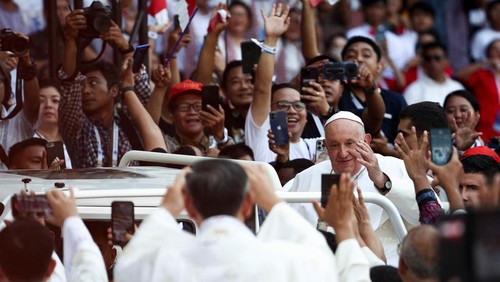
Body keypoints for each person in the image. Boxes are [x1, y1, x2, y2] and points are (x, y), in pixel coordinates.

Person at [114, 156, 371, 281]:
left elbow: (128, 266)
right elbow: (322, 260)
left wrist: (166, 208)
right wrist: (274, 203)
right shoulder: (287, 259)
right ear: (249, 204)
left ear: (189, 207)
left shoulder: (163, 261)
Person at [289, 111, 420, 266]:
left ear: (366, 140)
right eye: (334, 145)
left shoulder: (396, 167)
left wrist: (381, 179)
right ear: (325, 146)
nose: (343, 153)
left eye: (350, 143)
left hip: (387, 265)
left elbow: (427, 211)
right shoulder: (307, 177)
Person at [58, 9, 166, 168]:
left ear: (114, 90)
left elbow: (138, 86)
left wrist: (124, 46)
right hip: (88, 193)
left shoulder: (129, 123)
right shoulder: (77, 126)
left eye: (93, 83)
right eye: (82, 85)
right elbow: (68, 82)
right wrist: (70, 40)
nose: (85, 90)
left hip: (131, 192)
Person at [245, 3, 320, 163]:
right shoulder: (261, 134)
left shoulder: (314, 147)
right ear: (268, 111)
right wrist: (271, 39)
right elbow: (262, 89)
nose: (292, 111)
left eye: (298, 105)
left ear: (307, 116)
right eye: (283, 105)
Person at [164, 79, 232, 156]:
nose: (192, 112)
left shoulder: (218, 141)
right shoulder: (164, 144)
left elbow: (239, 164)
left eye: (198, 106)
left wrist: (220, 136)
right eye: (184, 107)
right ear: (171, 113)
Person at [34, 79, 73, 168]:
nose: (48, 105)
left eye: (55, 101)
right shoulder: (27, 137)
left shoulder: (72, 139)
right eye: (41, 101)